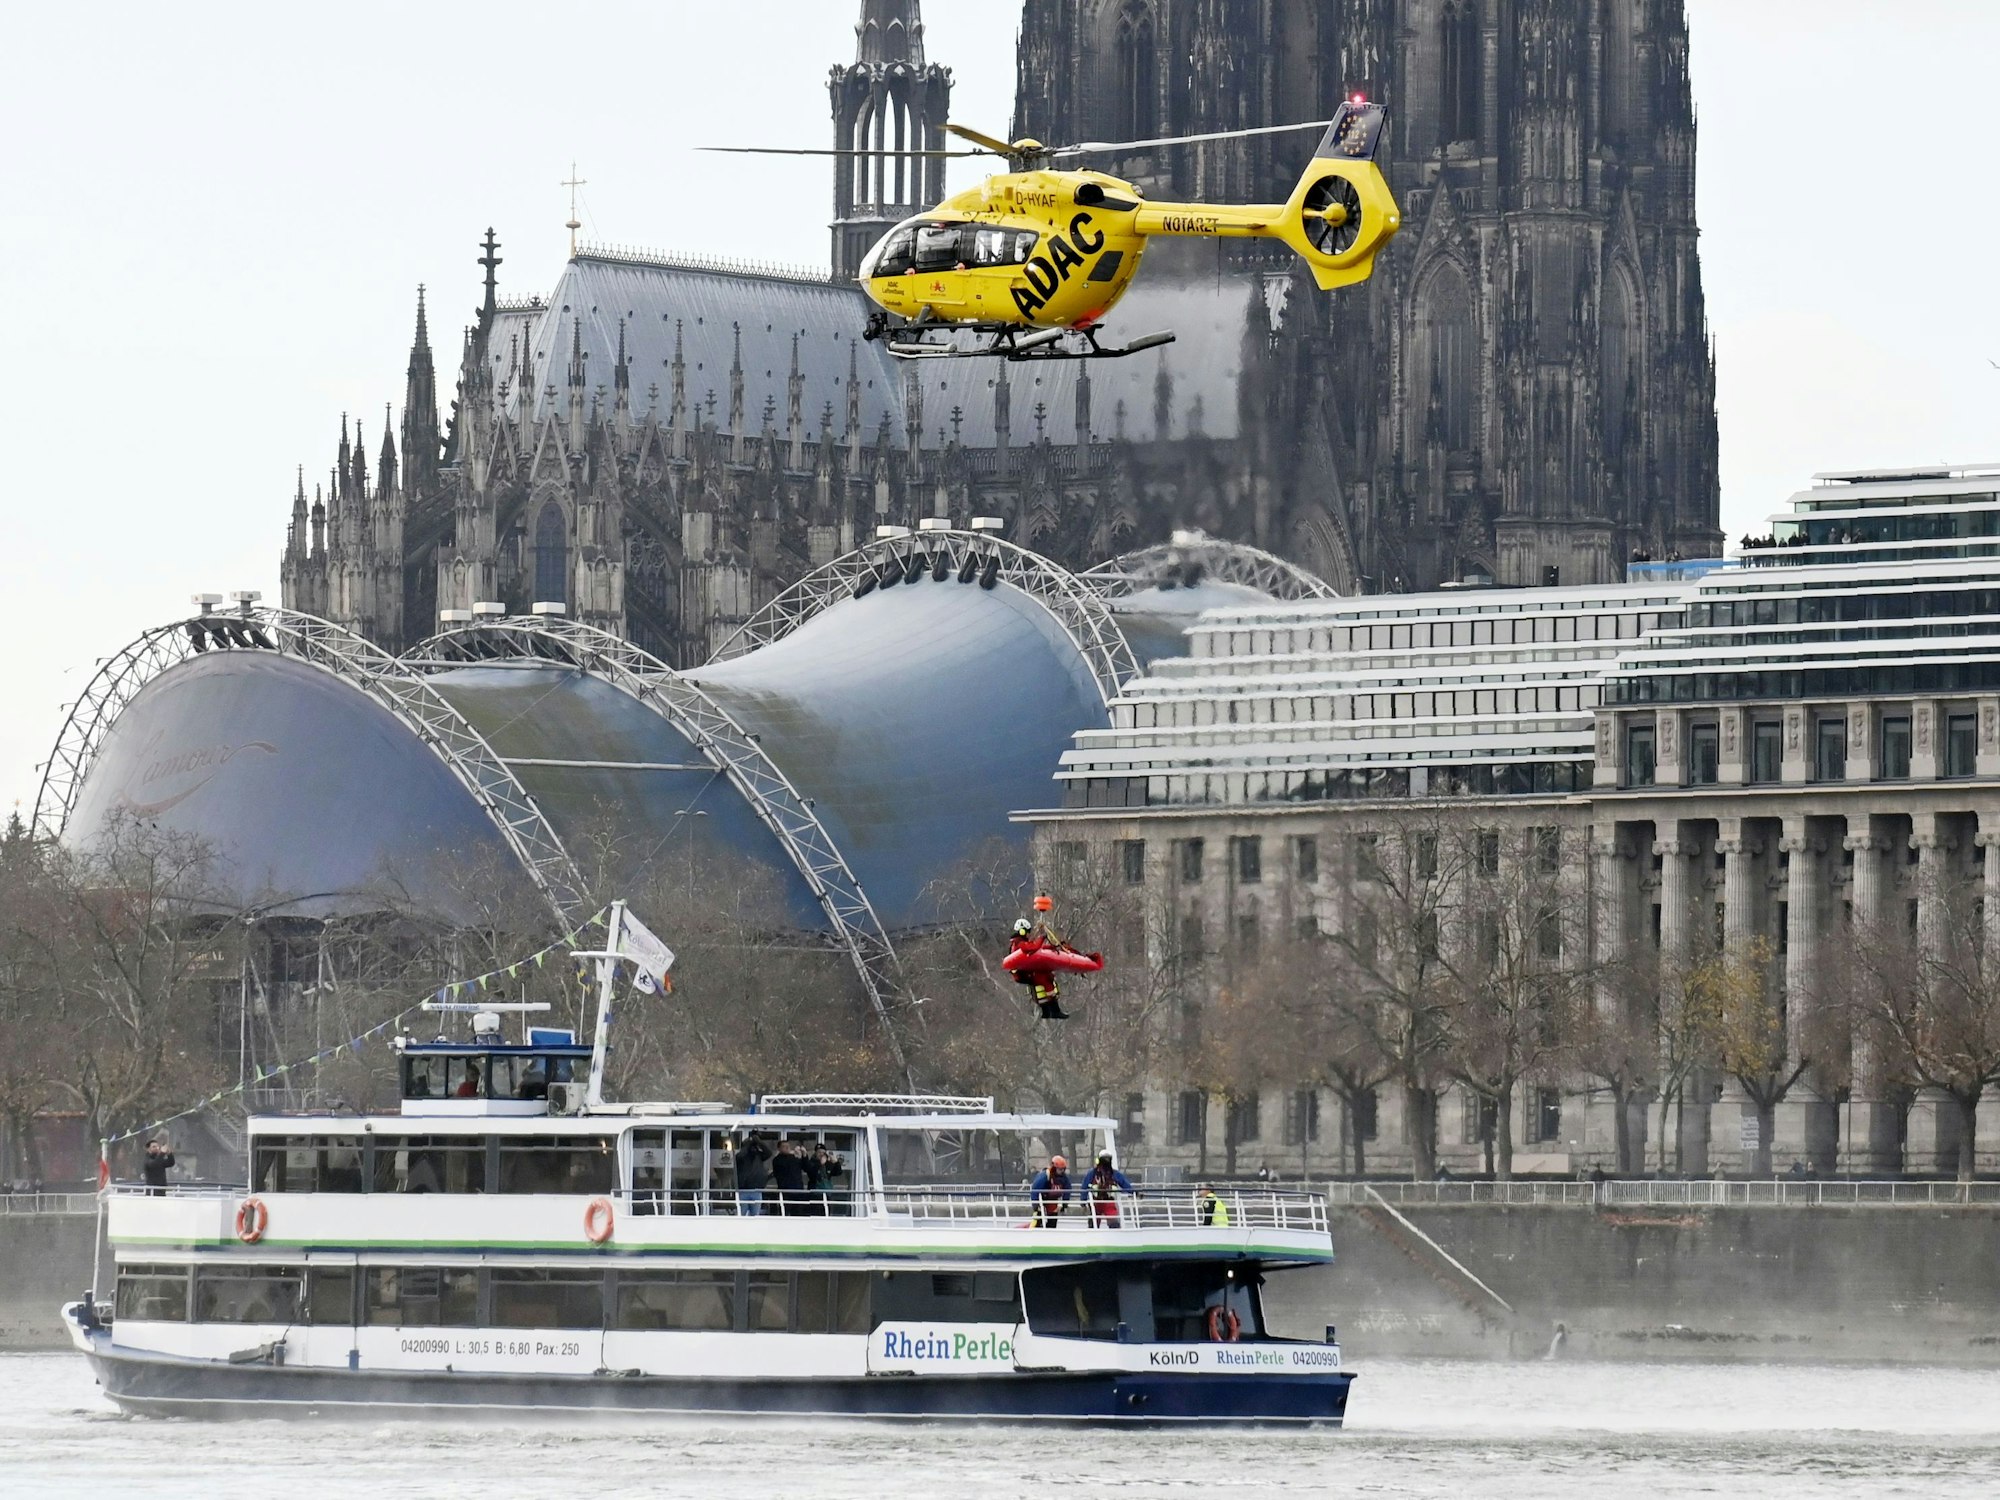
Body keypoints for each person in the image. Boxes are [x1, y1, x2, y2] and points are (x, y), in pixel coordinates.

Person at [1081, 1151, 1134, 1227]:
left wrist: (1134, 1192)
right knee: (1093, 1223)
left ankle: (1114, 1236)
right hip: (1095, 1202)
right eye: (1104, 1160)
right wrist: (1083, 1202)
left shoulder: (1114, 1174)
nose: (1106, 1162)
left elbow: (1125, 1184)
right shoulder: (1092, 1173)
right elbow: (1084, 1187)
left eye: (1108, 1159)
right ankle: (1093, 1236)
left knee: (1113, 1222)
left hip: (1109, 1202)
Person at [734, 1132, 772, 1216]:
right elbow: (740, 1155)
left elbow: (769, 1153)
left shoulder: (758, 1156)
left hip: (757, 1190)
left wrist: (759, 1142)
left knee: (755, 1217)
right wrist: (748, 1144)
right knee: (741, 1215)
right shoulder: (740, 1157)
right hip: (743, 1190)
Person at [1028, 1153, 1071, 1228]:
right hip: (1041, 1198)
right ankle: (1035, 1230)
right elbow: (1035, 1189)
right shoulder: (1045, 1175)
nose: (1062, 1171)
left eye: (1063, 1169)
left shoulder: (1064, 1178)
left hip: (1052, 1199)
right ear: (1054, 1167)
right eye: (1060, 1169)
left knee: (1053, 1219)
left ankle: (1050, 1231)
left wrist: (1065, 1205)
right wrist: (1035, 1204)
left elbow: (1068, 1189)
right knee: (1038, 1218)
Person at [770, 1137, 809, 1215]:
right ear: (779, 1149)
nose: (787, 1148)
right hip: (785, 1190)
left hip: (798, 1190)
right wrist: (794, 1155)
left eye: (788, 1146)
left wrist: (804, 1156)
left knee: (798, 1213)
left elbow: (806, 1167)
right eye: (784, 1146)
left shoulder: (794, 1158)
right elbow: (782, 1168)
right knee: (785, 1211)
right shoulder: (777, 1160)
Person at [815, 1144, 847, 1215]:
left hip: (827, 1193)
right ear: (816, 1153)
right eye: (819, 1152)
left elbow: (838, 1172)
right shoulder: (812, 1162)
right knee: (816, 1214)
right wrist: (820, 1164)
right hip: (815, 1194)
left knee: (827, 1212)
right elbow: (812, 1173)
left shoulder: (828, 1164)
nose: (821, 1154)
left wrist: (836, 1163)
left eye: (823, 1152)